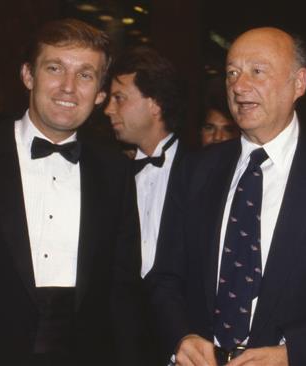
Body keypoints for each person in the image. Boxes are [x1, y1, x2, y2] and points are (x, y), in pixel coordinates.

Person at [149, 27, 306, 366]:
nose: (239, 85)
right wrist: (181, 336)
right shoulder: (195, 171)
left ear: (299, 83)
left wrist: (294, 353)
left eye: (257, 71)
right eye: (231, 73)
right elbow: (166, 278)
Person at [0, 19, 144, 364]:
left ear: (100, 94)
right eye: (55, 68)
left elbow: (122, 289)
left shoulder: (115, 172)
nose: (68, 87)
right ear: (28, 75)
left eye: (85, 75)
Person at [104, 46, 187, 364]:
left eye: (119, 98)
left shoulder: (204, 172)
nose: (108, 109)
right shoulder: (112, 174)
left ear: (154, 104)